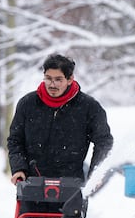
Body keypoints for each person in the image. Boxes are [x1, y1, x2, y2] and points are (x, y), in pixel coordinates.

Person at [7, 53, 113, 184]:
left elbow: (104, 142)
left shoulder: (89, 107)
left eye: (58, 80)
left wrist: (95, 175)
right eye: (48, 78)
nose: (52, 84)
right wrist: (19, 168)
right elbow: (15, 140)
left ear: (70, 79)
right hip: (32, 184)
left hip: (72, 185)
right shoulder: (27, 104)